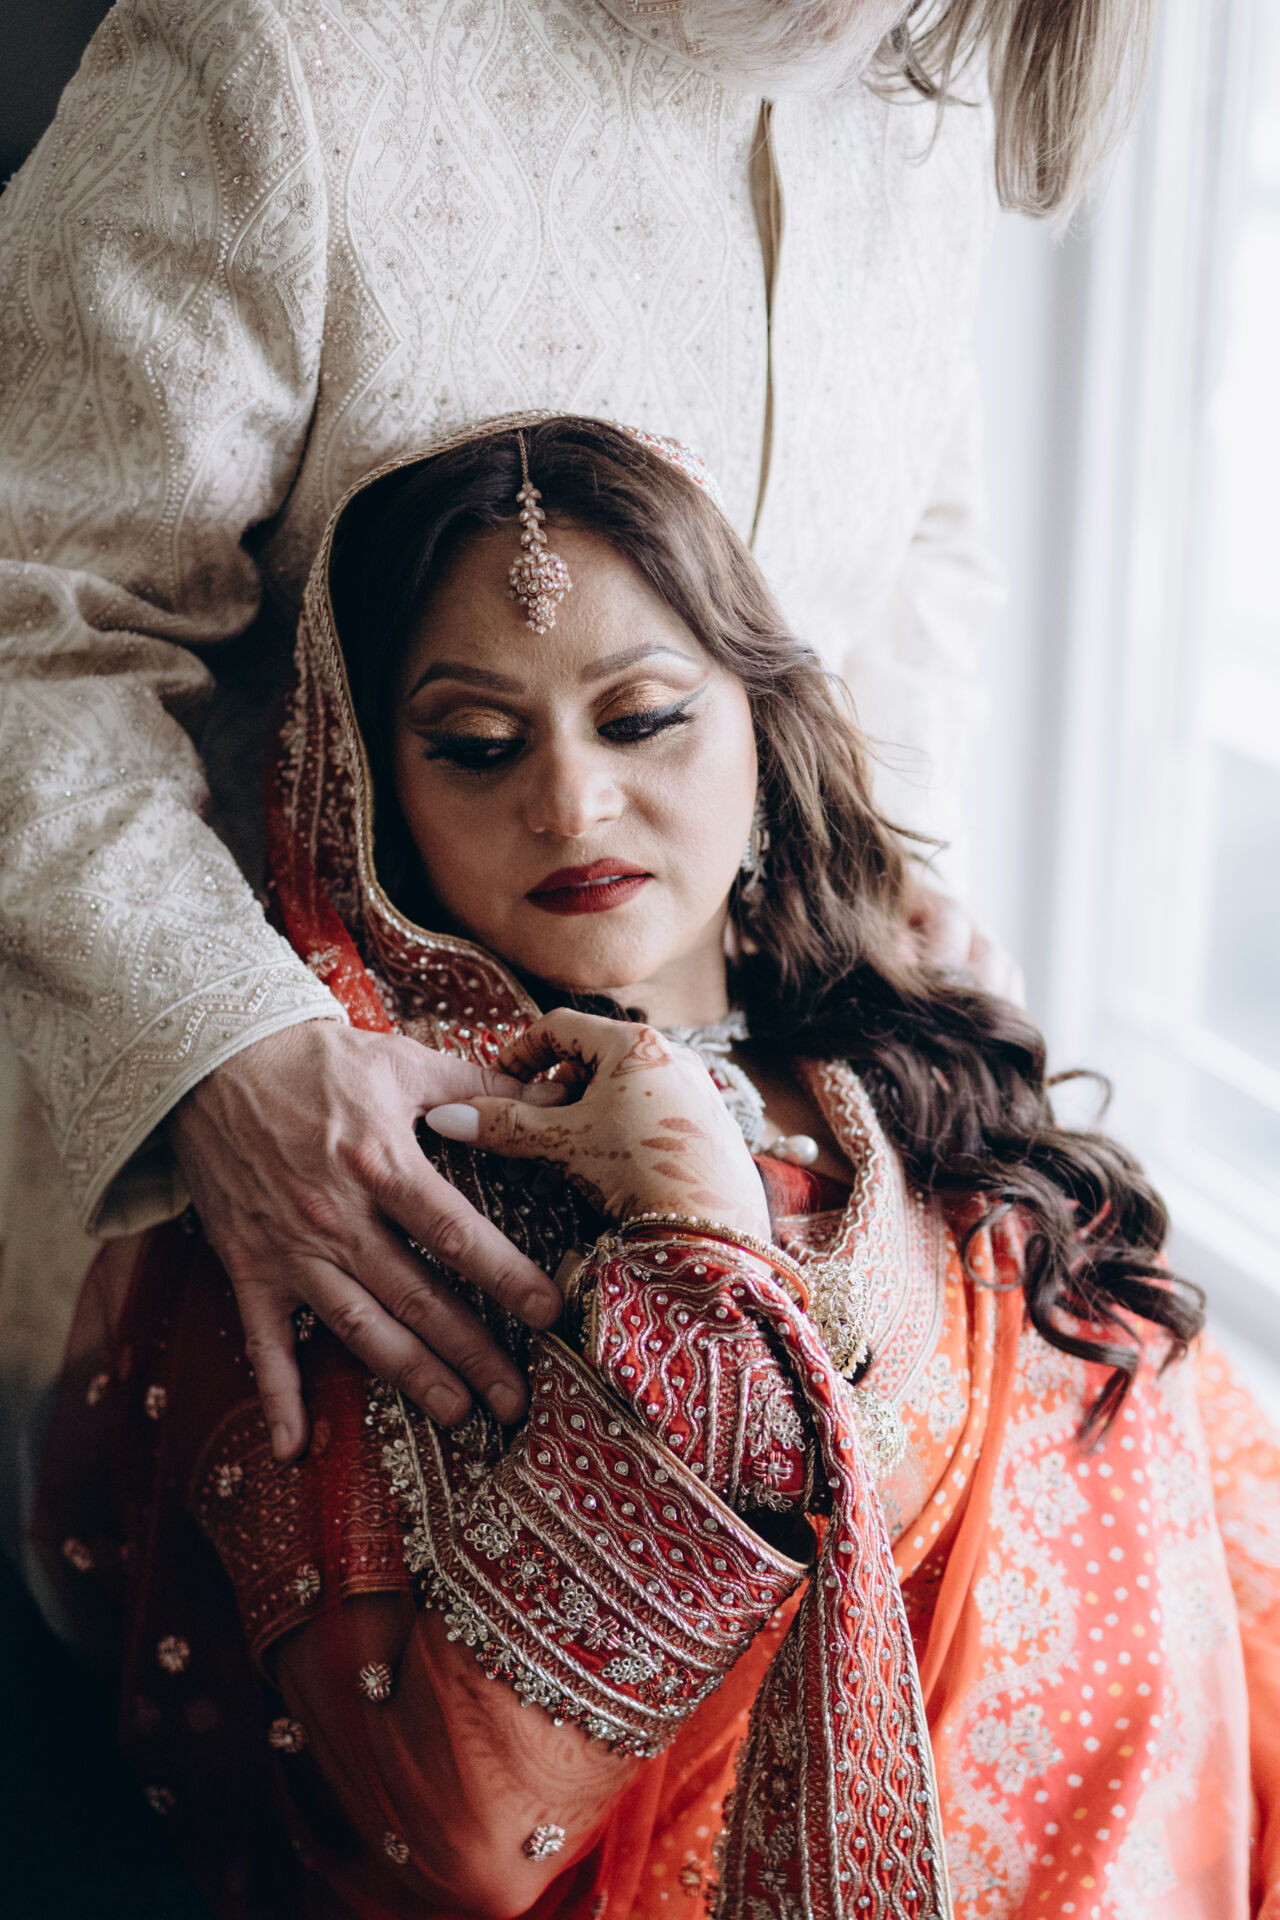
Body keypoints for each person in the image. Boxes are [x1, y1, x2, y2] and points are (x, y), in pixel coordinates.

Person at [35, 416, 1280, 1919]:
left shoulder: (919, 1054)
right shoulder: (359, 1202)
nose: (569, 802)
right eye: (477, 746)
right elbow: (457, 1829)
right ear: (373, 794)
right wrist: (698, 1259)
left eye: (641, 720)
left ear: (762, 724)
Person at [0, 0, 1133, 1467]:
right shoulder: (286, 57)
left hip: (784, 1144)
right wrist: (222, 1049)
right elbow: (38, 623)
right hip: (302, 1230)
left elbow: (917, 546)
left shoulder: (925, 75)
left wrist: (881, 874)